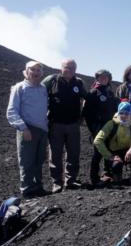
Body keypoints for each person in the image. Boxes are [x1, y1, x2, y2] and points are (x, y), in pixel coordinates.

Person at [42, 59, 87, 193]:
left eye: (72, 68)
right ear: (61, 68)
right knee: (55, 154)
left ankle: (71, 180)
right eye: (67, 67)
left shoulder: (78, 82)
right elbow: (38, 93)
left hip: (73, 124)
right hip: (56, 124)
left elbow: (86, 98)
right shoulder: (51, 80)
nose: (69, 70)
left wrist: (82, 116)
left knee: (73, 153)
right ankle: (57, 182)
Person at [6, 61, 49, 198]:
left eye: (38, 70)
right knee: (27, 161)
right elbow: (12, 111)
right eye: (33, 70)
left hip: (42, 130)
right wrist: (23, 128)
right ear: (26, 71)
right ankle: (27, 189)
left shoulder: (43, 89)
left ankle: (38, 186)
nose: (36, 73)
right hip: (28, 129)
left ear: (41, 73)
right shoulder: (20, 88)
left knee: (38, 160)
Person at [93, 101, 131, 184]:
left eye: (127, 113)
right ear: (118, 113)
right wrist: (110, 156)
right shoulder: (111, 124)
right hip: (115, 153)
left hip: (128, 152)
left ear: (130, 114)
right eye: (121, 113)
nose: (124, 116)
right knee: (116, 166)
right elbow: (97, 140)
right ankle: (115, 175)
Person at [82, 69, 119, 187]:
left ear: (109, 79)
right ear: (97, 78)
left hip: (110, 127)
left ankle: (107, 174)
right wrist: (93, 128)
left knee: (109, 149)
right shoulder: (93, 93)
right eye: (101, 77)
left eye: (106, 77)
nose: (103, 79)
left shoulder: (110, 93)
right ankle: (94, 178)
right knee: (97, 153)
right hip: (98, 127)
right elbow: (86, 113)